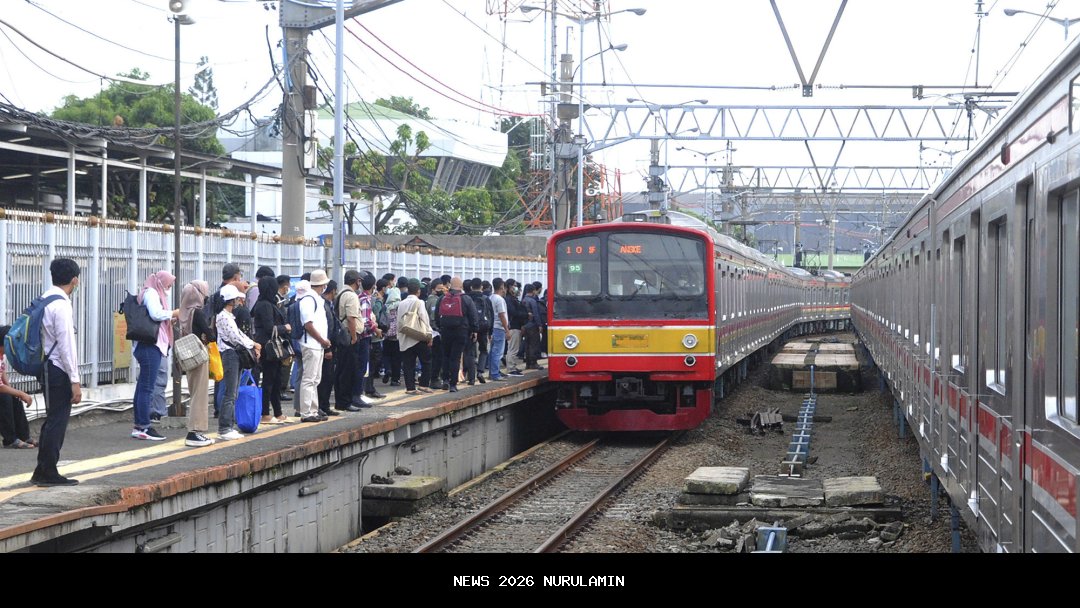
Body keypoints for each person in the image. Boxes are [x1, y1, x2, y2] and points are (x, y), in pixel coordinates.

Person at [32, 258, 81, 486]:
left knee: (52, 419)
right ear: (74, 280)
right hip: (57, 369)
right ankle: (48, 472)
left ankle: (42, 470)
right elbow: (66, 345)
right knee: (57, 422)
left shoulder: (45, 298)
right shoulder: (61, 305)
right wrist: (75, 380)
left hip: (45, 366)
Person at [132, 270, 178, 441]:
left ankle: (139, 425)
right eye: (168, 284)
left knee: (142, 387)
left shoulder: (150, 292)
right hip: (150, 345)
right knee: (146, 388)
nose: (169, 288)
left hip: (147, 345)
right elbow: (155, 314)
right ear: (161, 282)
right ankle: (144, 426)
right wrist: (173, 313)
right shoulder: (151, 293)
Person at [216, 284, 260, 440]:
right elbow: (235, 337)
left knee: (232, 392)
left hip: (232, 354)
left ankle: (228, 426)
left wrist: (252, 343)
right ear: (231, 300)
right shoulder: (223, 316)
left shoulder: (228, 315)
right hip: (230, 355)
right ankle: (224, 428)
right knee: (230, 393)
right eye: (236, 298)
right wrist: (253, 344)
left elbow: (238, 334)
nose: (238, 301)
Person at [179, 280, 215, 447]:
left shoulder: (183, 312)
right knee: (200, 395)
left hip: (188, 356)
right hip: (199, 355)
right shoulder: (198, 313)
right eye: (203, 293)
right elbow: (211, 335)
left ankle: (195, 432)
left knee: (194, 393)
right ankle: (194, 432)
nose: (205, 297)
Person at [251, 276, 290, 425]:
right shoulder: (265, 305)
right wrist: (284, 328)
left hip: (271, 347)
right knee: (269, 380)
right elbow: (269, 328)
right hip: (268, 347)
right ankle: (265, 413)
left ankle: (278, 412)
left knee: (276, 379)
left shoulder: (265, 303)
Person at [433, 276, 478, 393]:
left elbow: (437, 315)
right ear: (461, 286)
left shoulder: (442, 298)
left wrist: (440, 327)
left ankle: (445, 380)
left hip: (445, 331)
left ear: (450, 286)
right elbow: (473, 316)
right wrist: (474, 330)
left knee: (446, 356)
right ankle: (453, 384)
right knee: (455, 358)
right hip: (461, 331)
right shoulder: (466, 299)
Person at [297, 271, 331, 422]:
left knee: (315, 379)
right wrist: (322, 340)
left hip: (317, 344)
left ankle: (313, 409)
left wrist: (322, 341)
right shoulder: (309, 299)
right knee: (309, 379)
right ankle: (306, 412)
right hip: (311, 344)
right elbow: (308, 325)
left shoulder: (315, 298)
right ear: (323, 285)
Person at [0, 326, 36, 449]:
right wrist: (20, 393)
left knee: (13, 397)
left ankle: (24, 436)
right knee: (4, 398)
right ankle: (10, 439)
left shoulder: (1, 355)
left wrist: (13, 392)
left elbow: (2, 372)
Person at [334, 270, 363, 412]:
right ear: (356, 281)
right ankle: (345, 402)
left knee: (341, 369)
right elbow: (351, 318)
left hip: (342, 336)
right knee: (348, 370)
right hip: (349, 336)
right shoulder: (351, 296)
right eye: (359, 281)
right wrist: (354, 337)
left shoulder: (340, 293)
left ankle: (341, 401)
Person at [398, 279, 433, 396]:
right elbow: (425, 319)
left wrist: (400, 337)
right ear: (418, 290)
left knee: (408, 364)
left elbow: (399, 321)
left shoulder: (401, 303)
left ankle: (410, 388)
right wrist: (429, 335)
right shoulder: (419, 302)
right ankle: (423, 385)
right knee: (426, 361)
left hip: (405, 337)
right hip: (419, 337)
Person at [318, 280, 342, 417]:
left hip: (329, 345)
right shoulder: (324, 305)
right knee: (325, 378)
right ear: (332, 290)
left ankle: (325, 405)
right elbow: (326, 328)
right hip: (327, 346)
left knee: (328, 378)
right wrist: (327, 348)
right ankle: (322, 406)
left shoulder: (327, 304)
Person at [381, 276, 408, 387]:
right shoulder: (401, 305)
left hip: (387, 334)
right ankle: (395, 379)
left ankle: (387, 369)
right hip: (397, 336)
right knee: (397, 358)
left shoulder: (385, 305)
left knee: (386, 355)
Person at [365, 278, 388, 399]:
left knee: (372, 364)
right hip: (374, 337)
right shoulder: (372, 300)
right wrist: (379, 301)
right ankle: (369, 389)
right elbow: (375, 315)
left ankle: (369, 388)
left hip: (373, 336)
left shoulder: (366, 298)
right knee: (372, 364)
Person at [467, 278, 493, 384]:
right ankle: (480, 372)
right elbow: (491, 315)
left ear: (471, 287)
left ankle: (471, 378)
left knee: (470, 352)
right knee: (483, 350)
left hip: (471, 328)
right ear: (481, 287)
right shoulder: (486, 298)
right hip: (483, 327)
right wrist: (490, 331)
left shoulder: (467, 298)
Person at [487, 278, 510, 382]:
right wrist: (507, 330)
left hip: (492, 327)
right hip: (499, 328)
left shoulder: (490, 297)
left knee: (493, 351)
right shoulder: (500, 299)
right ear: (502, 286)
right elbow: (501, 315)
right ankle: (495, 374)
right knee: (498, 352)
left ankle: (492, 372)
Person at [426, 279, 447, 389]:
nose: (442, 290)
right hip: (435, 333)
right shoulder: (434, 301)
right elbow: (434, 318)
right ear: (433, 289)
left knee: (434, 357)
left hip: (432, 332)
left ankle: (433, 378)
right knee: (437, 357)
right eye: (439, 288)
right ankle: (435, 379)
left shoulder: (430, 300)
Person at [504, 279, 525, 376]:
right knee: (513, 348)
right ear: (509, 287)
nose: (516, 288)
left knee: (514, 347)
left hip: (516, 326)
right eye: (514, 285)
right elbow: (514, 312)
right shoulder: (509, 299)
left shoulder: (513, 299)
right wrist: (525, 314)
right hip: (513, 326)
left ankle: (512, 366)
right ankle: (511, 368)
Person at [521, 283, 543, 370]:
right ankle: (533, 363)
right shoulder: (533, 301)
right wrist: (539, 325)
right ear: (533, 291)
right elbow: (536, 314)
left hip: (525, 325)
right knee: (534, 344)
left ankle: (528, 363)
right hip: (533, 325)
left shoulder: (523, 300)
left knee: (527, 344)